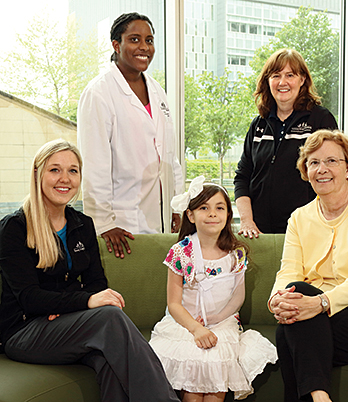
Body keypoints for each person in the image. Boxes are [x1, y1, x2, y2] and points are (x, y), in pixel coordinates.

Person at [0, 139, 180, 402]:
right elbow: (29, 298)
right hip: (25, 332)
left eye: (73, 170)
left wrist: (70, 307)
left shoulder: (83, 224)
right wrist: (84, 301)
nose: (65, 178)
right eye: (55, 170)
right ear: (38, 174)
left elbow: (97, 283)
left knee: (108, 359)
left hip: (67, 324)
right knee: (109, 317)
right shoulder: (14, 227)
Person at [268, 129, 348, 402]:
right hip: (325, 318)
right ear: (306, 170)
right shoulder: (299, 218)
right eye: (313, 162)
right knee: (294, 303)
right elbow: (288, 271)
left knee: (289, 333)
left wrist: (320, 303)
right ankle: (320, 398)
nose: (321, 169)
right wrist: (277, 300)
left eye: (331, 161)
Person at [149, 176, 278, 401]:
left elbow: (238, 296)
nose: (212, 214)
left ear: (228, 214)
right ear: (190, 215)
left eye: (219, 208)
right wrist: (196, 328)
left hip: (222, 322)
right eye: (203, 208)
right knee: (194, 369)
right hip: (185, 324)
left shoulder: (236, 253)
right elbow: (173, 303)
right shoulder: (180, 252)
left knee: (216, 363)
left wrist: (215, 319)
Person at [77, 12, 183, 259]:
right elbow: (95, 165)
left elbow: (170, 158)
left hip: (162, 221)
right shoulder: (99, 93)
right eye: (134, 39)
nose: (144, 47)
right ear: (117, 45)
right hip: (121, 225)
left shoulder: (157, 91)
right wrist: (103, 223)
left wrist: (177, 205)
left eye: (149, 40)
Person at [234, 48, 338, 237]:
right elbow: (242, 177)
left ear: (302, 80)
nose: (282, 82)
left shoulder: (320, 120)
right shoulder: (258, 125)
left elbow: (332, 174)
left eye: (290, 75)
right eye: (276, 75)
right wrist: (247, 221)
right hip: (259, 233)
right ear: (268, 81)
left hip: (306, 231)